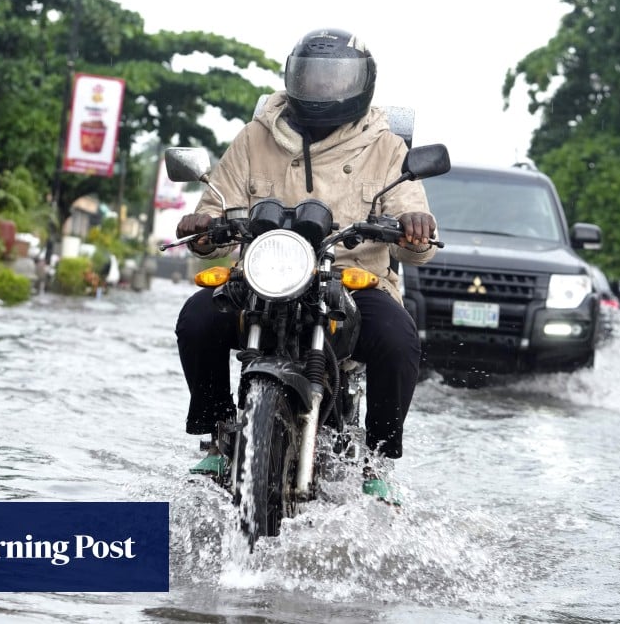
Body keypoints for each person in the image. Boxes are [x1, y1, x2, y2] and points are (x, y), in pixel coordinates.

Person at [173, 28, 438, 503]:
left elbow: (415, 235)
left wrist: (414, 224)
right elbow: (213, 215)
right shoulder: (255, 138)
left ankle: (378, 459)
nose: (322, 91)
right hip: (261, 276)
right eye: (313, 79)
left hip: (351, 279)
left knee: (398, 339)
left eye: (335, 80)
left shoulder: (385, 146)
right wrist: (204, 222)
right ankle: (216, 430)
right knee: (197, 318)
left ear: (362, 83)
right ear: (293, 78)